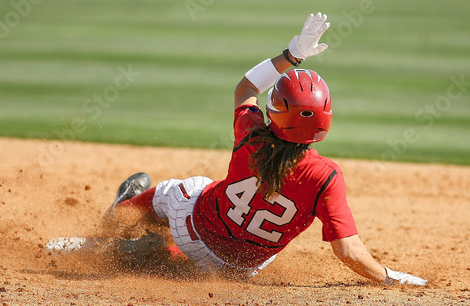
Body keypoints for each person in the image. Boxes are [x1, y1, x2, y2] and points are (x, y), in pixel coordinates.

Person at [103, 12, 427, 285]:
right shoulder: (325, 177)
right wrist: (392, 277)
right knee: (225, 252)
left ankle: (120, 214)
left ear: (274, 112)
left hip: (193, 227)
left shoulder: (252, 133)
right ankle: (160, 255)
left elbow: (246, 87)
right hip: (238, 271)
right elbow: (348, 252)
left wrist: (292, 54)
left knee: (186, 188)